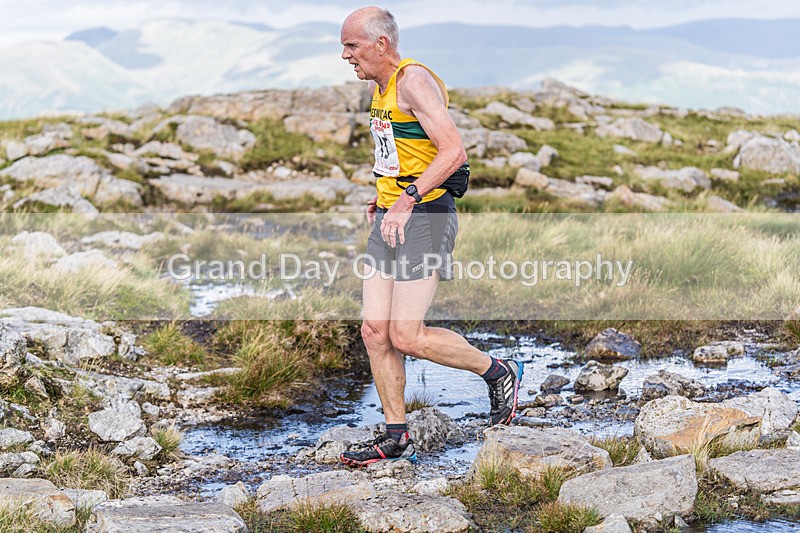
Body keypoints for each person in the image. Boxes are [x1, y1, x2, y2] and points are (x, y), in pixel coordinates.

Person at [338, 6, 523, 468]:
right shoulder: (380, 88)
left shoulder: (412, 80)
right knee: (374, 331)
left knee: (406, 334)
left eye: (351, 45)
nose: (344, 56)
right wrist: (381, 197)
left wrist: (405, 200)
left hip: (425, 216)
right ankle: (397, 436)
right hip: (389, 216)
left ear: (381, 44)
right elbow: (401, 151)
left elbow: (454, 151)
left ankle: (497, 370)